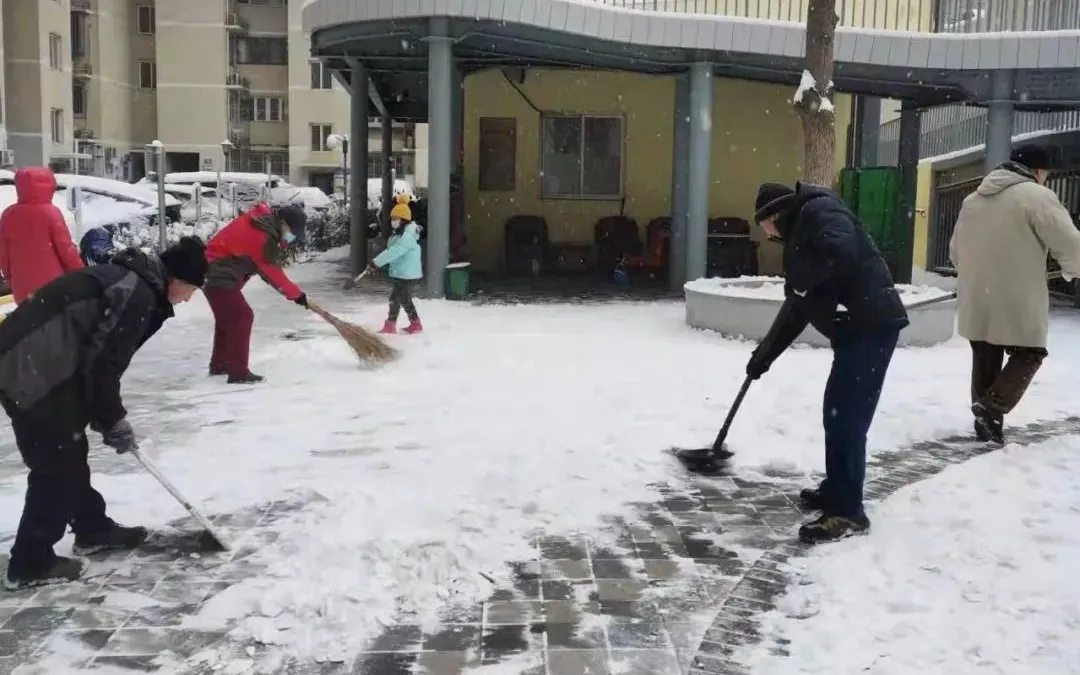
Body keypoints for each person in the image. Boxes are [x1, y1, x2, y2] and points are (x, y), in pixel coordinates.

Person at [0, 236, 208, 589]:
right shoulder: (137, 293)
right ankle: (30, 562)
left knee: (69, 449)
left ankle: (91, 527)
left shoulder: (134, 283)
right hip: (30, 371)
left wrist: (102, 413)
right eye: (190, 290)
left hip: (42, 365)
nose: (188, 299)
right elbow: (103, 365)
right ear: (175, 279)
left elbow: (98, 360)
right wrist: (112, 418)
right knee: (57, 464)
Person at [746, 181, 909, 544]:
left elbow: (842, 250)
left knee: (847, 417)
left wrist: (803, 279)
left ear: (776, 214)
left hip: (869, 326)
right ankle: (838, 489)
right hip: (856, 328)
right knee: (836, 413)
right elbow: (797, 308)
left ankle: (848, 511)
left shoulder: (819, 211)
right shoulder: (804, 232)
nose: (767, 233)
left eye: (765, 224)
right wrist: (762, 359)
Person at [949, 145, 1080, 446]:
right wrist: (1074, 268)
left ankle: (989, 424)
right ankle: (991, 407)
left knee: (985, 352)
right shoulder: (1036, 196)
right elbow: (1068, 242)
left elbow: (956, 250)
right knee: (1030, 352)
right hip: (1017, 293)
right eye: (1045, 174)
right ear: (1036, 171)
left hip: (977, 292)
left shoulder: (972, 199)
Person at [204, 203, 310, 384]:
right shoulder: (260, 235)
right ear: (283, 223)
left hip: (215, 272)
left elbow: (274, 248)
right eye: (292, 231)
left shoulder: (264, 223)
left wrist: (285, 242)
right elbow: (269, 269)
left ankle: (220, 365)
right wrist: (297, 295)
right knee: (242, 316)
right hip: (217, 275)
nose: (292, 237)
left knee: (227, 319)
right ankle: (238, 373)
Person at [0, 167, 84, 303]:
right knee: (53, 320)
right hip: (52, 284)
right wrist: (81, 274)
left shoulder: (8, 214)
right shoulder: (51, 214)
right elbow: (66, 251)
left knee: (28, 320)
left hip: (21, 284)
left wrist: (9, 276)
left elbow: (3, 251)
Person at [369, 194, 424, 335]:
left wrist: (376, 262)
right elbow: (391, 252)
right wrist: (377, 264)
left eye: (396, 219)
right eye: (392, 219)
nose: (393, 222)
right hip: (403, 272)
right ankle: (415, 324)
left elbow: (394, 252)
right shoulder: (399, 234)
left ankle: (390, 325)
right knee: (404, 299)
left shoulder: (407, 237)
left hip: (407, 274)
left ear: (404, 220)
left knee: (395, 299)